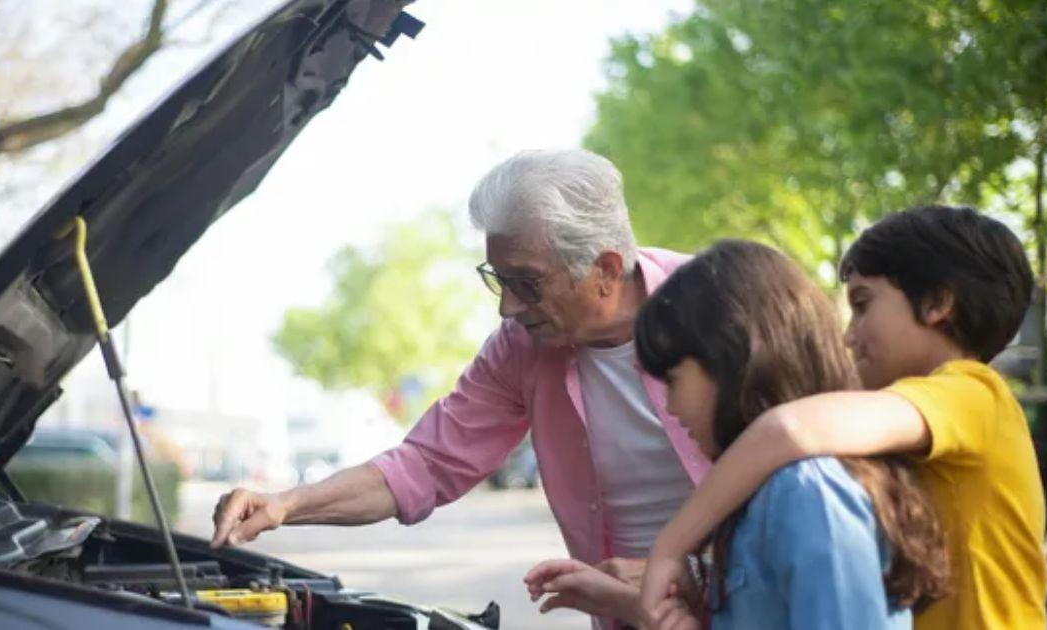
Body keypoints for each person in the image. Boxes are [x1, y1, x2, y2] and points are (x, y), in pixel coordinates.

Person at [210, 149, 711, 626]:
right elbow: (425, 464)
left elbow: (785, 467)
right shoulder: (520, 348)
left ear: (603, 269)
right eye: (499, 279)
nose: (508, 308)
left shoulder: (722, 305)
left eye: (527, 283)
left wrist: (691, 573)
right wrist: (285, 505)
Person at [640, 206, 1047, 629]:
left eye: (863, 304)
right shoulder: (918, 420)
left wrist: (670, 546)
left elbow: (789, 429)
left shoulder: (973, 394)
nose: (849, 336)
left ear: (938, 303)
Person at [525, 240, 949, 629]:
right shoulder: (758, 498)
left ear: (733, 360)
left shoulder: (807, 494)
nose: (670, 407)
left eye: (673, 380)